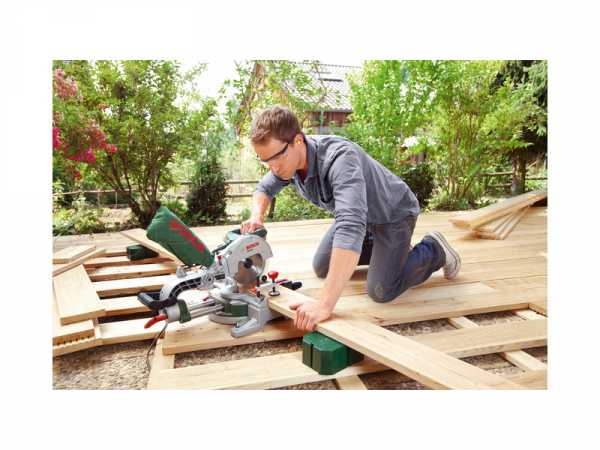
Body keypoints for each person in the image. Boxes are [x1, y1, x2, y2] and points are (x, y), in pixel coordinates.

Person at [241, 105, 460, 332]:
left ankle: (434, 249)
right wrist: (256, 217)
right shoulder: (287, 161)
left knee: (381, 290)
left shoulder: (340, 159)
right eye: (265, 161)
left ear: (297, 140)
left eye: (276, 157)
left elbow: (350, 227)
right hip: (361, 217)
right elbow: (264, 188)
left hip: (392, 214)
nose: (273, 167)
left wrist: (325, 304)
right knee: (322, 267)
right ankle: (391, 254)